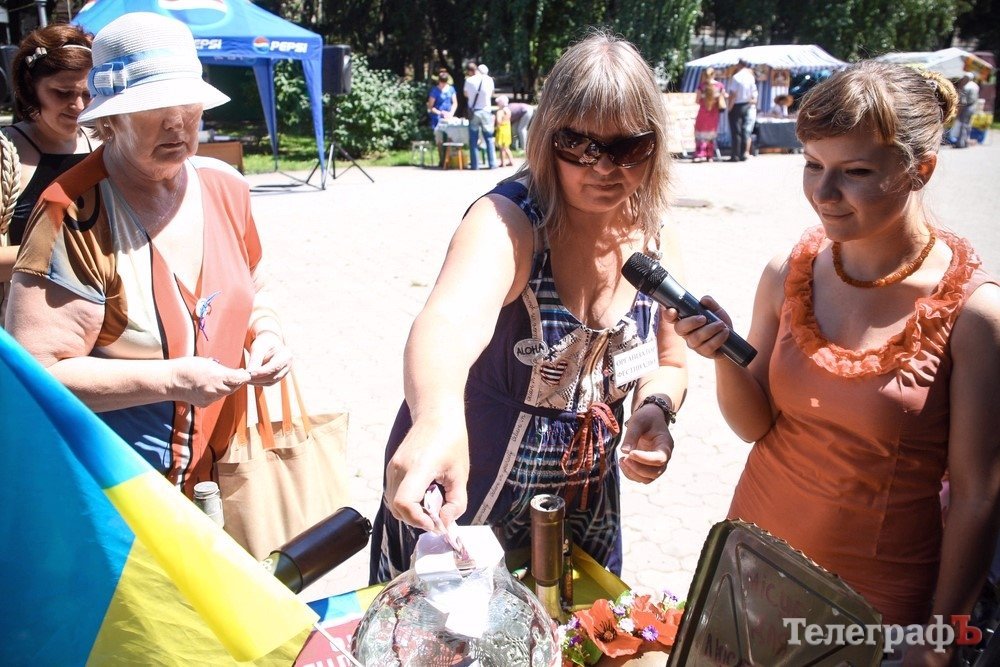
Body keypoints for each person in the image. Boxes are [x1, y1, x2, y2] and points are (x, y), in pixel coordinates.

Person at [670, 61, 1000, 664]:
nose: (823, 195)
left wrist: (941, 636)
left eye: (854, 172)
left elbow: (979, 495)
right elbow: (756, 427)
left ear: (919, 168)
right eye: (812, 165)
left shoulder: (975, 316)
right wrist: (721, 356)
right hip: (754, 560)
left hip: (871, 604)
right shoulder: (788, 271)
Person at [371, 31, 689, 583]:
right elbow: (447, 321)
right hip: (472, 479)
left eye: (628, 149)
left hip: (586, 498)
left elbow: (672, 358)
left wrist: (656, 410)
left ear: (654, 147)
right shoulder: (511, 222)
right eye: (580, 145)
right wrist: (437, 418)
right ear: (547, 139)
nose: (604, 168)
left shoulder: (655, 235)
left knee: (578, 633)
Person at [5, 12, 292, 499]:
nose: (178, 125)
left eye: (190, 107)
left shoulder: (225, 187)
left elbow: (256, 286)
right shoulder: (71, 214)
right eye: (155, 108)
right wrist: (172, 379)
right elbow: (38, 374)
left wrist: (267, 333)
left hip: (230, 469)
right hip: (123, 497)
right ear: (111, 118)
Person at [0, 24, 96, 324]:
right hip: (27, 328)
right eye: (62, 93)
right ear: (31, 89)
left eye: (88, 94)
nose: (78, 106)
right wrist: (79, 255)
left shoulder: (107, 144)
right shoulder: (6, 153)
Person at [464, 61, 496, 170]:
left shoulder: (469, 80)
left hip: (474, 112)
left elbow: (466, 94)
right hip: (486, 111)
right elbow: (491, 94)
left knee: (473, 139)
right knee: (489, 138)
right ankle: (492, 163)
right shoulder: (489, 80)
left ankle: (475, 165)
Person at [726, 59, 758, 162]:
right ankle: (743, 153)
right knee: (745, 130)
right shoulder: (750, 77)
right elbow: (753, 93)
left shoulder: (736, 77)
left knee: (736, 131)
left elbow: (733, 94)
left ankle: (735, 155)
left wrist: (729, 107)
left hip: (737, 105)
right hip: (747, 104)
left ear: (739, 65)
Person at [693, 67, 726, 162]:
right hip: (714, 114)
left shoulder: (702, 86)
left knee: (700, 134)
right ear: (714, 74)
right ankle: (709, 155)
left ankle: (700, 154)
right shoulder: (720, 86)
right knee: (711, 135)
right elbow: (724, 97)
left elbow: (697, 101)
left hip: (703, 113)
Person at [953, 73, 980, 149]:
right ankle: (965, 142)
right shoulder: (975, 86)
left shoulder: (966, 87)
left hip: (966, 108)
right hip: (973, 107)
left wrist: (958, 112)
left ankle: (960, 143)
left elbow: (963, 102)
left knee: (963, 125)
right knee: (968, 125)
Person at [494, 94, 514, 167]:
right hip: (507, 130)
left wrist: (495, 121)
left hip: (501, 131)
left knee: (502, 148)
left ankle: (503, 163)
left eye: (498, 103)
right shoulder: (508, 111)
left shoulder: (500, 112)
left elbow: (499, 121)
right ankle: (511, 161)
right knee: (506, 147)